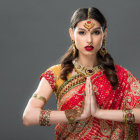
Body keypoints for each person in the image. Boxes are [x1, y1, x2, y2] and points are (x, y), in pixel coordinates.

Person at [22, 7, 140, 140]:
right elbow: (28, 117)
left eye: (96, 32)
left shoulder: (120, 75)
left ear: (105, 34)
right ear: (72, 34)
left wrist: (100, 113)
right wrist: (78, 114)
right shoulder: (56, 73)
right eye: (82, 33)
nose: (89, 40)